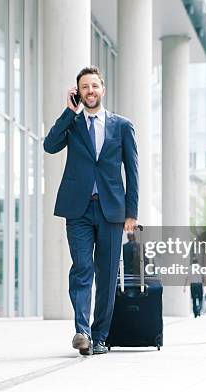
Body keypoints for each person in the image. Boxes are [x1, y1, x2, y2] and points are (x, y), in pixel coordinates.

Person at [43, 66, 139, 356]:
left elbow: (132, 171)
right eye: (85, 87)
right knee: (82, 268)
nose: (90, 91)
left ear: (103, 89)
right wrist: (68, 113)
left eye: (94, 86)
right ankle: (82, 332)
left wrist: (131, 213)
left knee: (108, 275)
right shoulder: (72, 123)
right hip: (79, 209)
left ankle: (100, 336)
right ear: (78, 92)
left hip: (112, 210)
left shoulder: (122, 126)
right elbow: (49, 146)